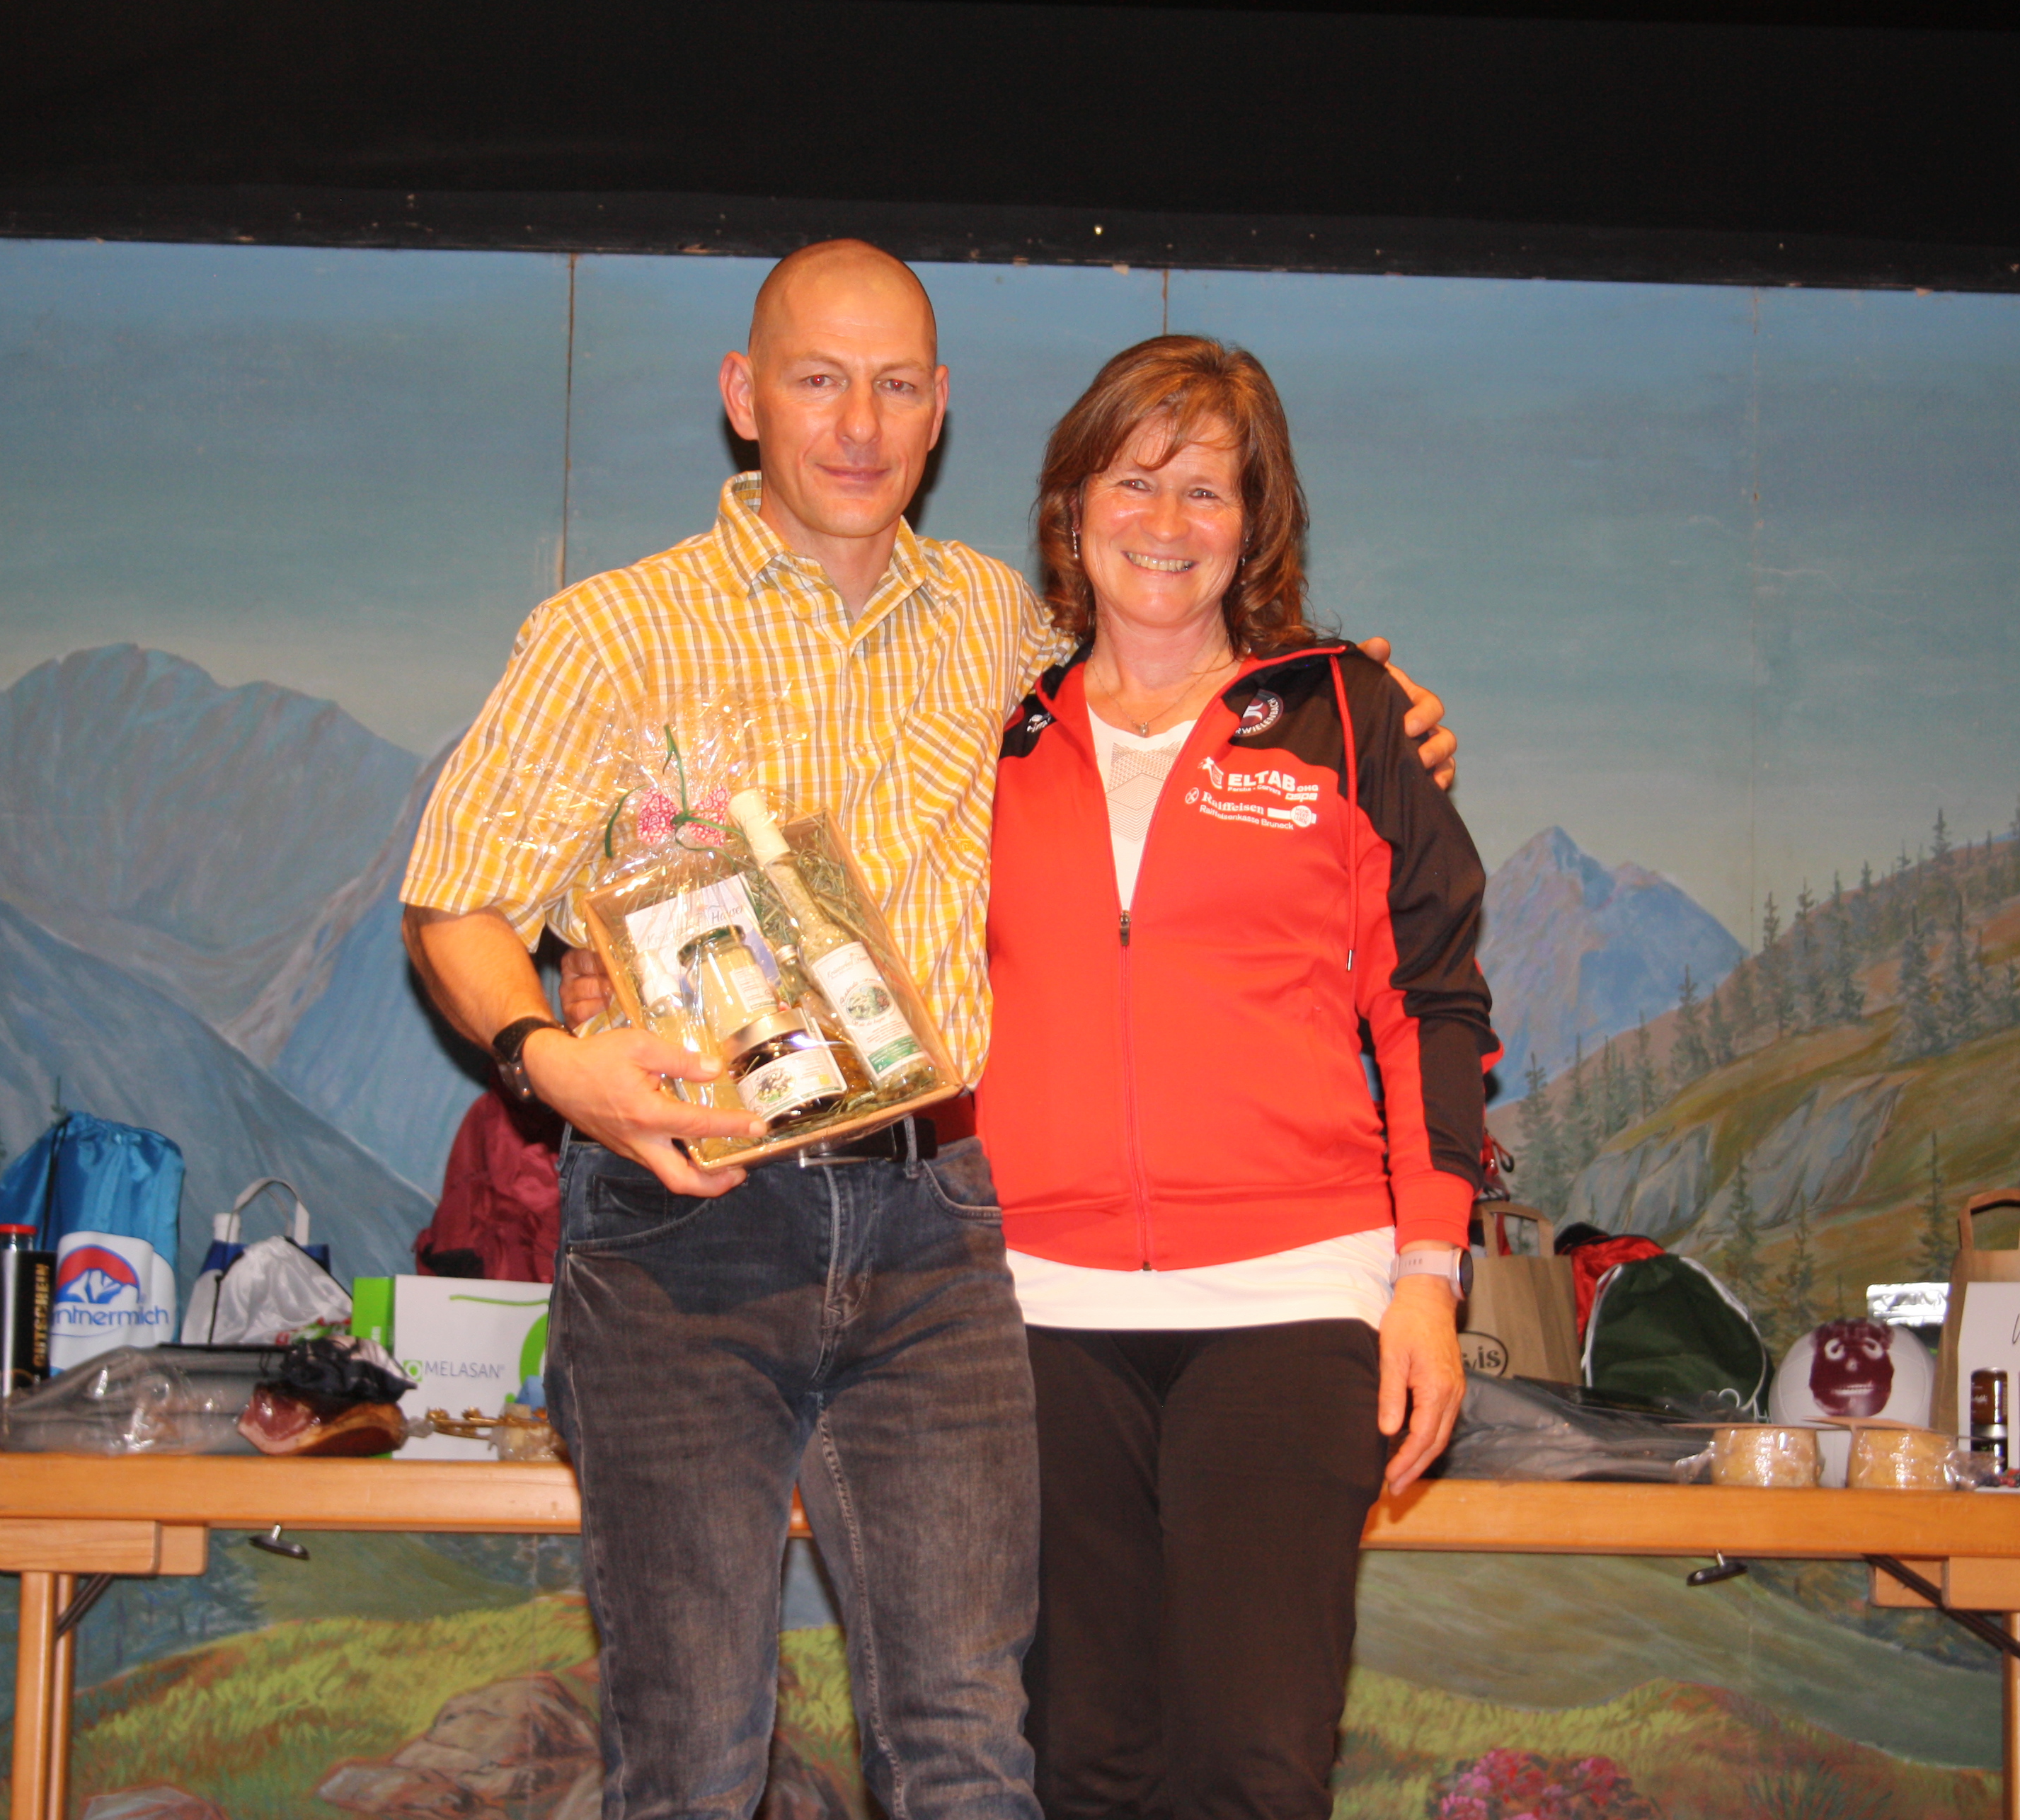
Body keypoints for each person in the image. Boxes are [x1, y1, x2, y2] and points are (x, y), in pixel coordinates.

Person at [401, 241, 1454, 1820]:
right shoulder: (607, 634)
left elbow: (1180, 671)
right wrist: (552, 1066)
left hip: (943, 1237)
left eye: (896, 386)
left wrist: (1364, 703)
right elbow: (452, 906)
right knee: (693, 1751)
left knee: (974, 1749)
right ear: (744, 395)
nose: (858, 425)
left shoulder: (998, 631)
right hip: (690, 1230)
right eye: (818, 380)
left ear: (942, 407)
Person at [977, 334, 1500, 1820]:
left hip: (1294, 1301)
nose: (1166, 521)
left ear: (1255, 523)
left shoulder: (1348, 716)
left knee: (1254, 1764)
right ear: (1073, 506)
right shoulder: (985, 732)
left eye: (1207, 490)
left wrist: (1427, 1277)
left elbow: (1433, 1004)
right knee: (1075, 1762)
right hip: (1033, 1310)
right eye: (1133, 482)